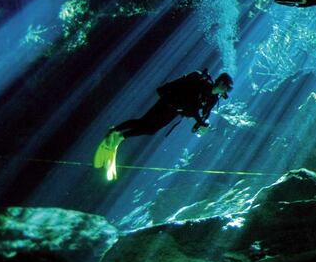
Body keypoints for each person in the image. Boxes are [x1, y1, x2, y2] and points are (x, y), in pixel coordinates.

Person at [92, 70, 233, 181]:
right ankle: (114, 131)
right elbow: (191, 105)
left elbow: (204, 114)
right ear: (220, 82)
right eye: (225, 86)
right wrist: (199, 120)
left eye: (227, 89)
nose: (224, 90)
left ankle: (120, 136)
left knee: (151, 130)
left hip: (174, 111)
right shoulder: (201, 84)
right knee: (143, 122)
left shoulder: (213, 99)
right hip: (167, 103)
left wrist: (203, 124)